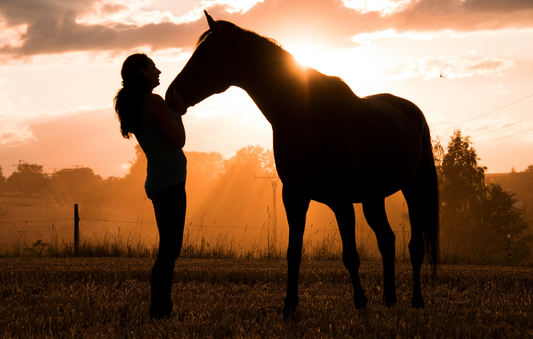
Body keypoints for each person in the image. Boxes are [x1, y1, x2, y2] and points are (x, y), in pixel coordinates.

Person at [114, 53, 187, 320]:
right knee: (170, 249)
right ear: (143, 73)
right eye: (153, 67)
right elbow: (178, 140)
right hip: (169, 183)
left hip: (161, 181)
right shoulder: (153, 102)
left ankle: (161, 307)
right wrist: (178, 113)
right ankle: (159, 309)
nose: (158, 71)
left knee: (169, 247)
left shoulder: (141, 103)